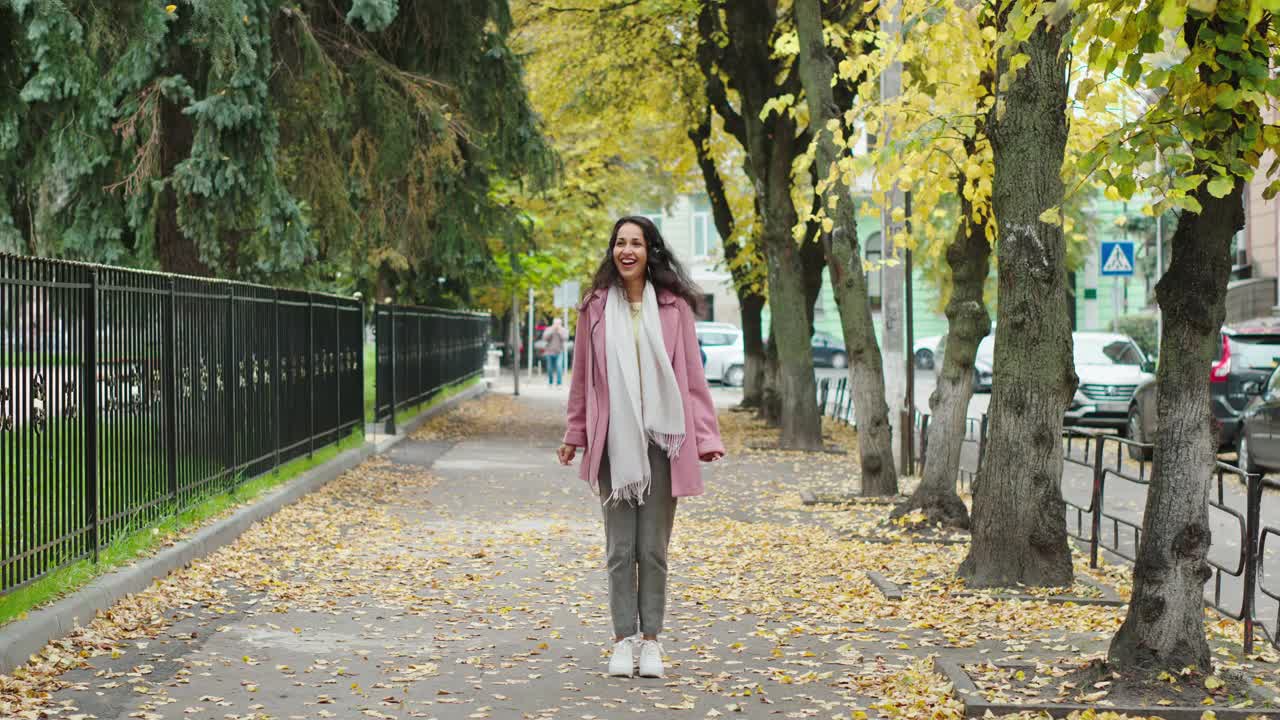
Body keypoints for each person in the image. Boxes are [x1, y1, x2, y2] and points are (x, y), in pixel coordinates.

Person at [558, 216, 725, 679]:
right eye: (619, 242)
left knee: (652, 550)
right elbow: (583, 380)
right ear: (612, 251)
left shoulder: (675, 308)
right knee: (619, 549)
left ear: (651, 251)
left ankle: (651, 641)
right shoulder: (594, 307)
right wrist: (576, 435)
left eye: (636, 243)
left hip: (663, 444)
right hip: (614, 443)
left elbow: (692, 378)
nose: (626, 250)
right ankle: (621, 641)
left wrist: (706, 439)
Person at [542, 318, 569, 386]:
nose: (557, 325)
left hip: (559, 352)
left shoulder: (563, 330)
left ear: (560, 324)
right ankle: (550, 382)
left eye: (558, 324)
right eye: (556, 323)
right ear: (553, 324)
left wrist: (559, 332)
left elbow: (566, 338)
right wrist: (552, 331)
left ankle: (559, 383)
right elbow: (544, 338)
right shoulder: (549, 329)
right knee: (549, 368)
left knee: (559, 367)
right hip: (549, 352)